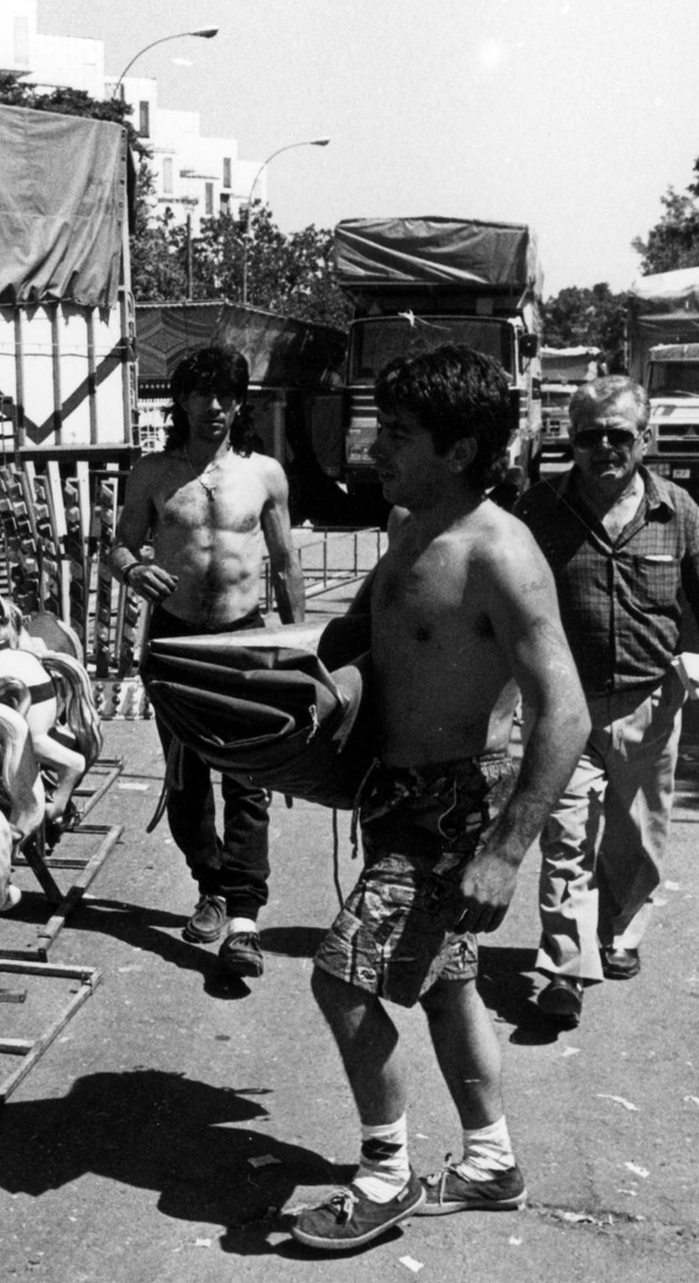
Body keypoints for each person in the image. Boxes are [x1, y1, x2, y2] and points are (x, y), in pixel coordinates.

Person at [292, 344, 589, 1251]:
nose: (376, 447)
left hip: (454, 808)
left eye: (401, 434)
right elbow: (388, 641)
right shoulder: (404, 524)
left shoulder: (501, 553)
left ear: (459, 452)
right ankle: (491, 1163)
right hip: (398, 794)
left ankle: (384, 1177)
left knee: (341, 978)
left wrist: (505, 851)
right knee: (446, 984)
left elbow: (565, 714)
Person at [513, 375, 699, 1027]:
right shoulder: (536, 509)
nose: (604, 448)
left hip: (651, 705)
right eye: (589, 436)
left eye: (619, 435)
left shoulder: (677, 511)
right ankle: (564, 969)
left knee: (636, 840)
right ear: (571, 439)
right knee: (565, 838)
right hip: (564, 708)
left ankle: (617, 932)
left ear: (644, 439)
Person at [109, 344, 305, 983]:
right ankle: (212, 886)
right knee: (186, 779)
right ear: (182, 402)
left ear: (240, 402)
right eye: (200, 394)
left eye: (226, 395)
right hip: (174, 643)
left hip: (243, 641)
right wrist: (135, 569)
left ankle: (244, 918)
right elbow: (116, 546)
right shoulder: (151, 473)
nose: (214, 407)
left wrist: (300, 641)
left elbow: (286, 561)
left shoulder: (265, 474)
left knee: (248, 778)